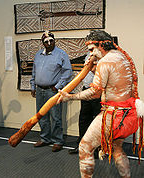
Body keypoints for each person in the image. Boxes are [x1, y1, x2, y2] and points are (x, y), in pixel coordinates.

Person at [57, 30, 144, 177]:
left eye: (92, 50)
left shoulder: (105, 61)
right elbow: (115, 78)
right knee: (117, 149)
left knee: (84, 147)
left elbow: (94, 93)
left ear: (101, 45)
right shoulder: (123, 57)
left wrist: (70, 97)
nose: (91, 55)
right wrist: (95, 68)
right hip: (129, 113)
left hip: (113, 115)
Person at [30, 31, 73, 152]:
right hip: (40, 90)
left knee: (55, 117)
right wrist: (33, 86)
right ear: (43, 43)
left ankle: (57, 141)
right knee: (41, 115)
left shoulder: (61, 54)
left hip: (52, 90)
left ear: (54, 40)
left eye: (51, 40)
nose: (49, 43)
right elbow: (34, 71)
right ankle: (45, 138)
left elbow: (67, 72)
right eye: (46, 41)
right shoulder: (38, 55)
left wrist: (58, 86)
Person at [68, 53, 101, 154]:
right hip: (86, 89)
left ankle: (96, 149)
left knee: (96, 122)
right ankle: (82, 146)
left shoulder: (104, 56)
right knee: (83, 119)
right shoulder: (88, 56)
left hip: (97, 91)